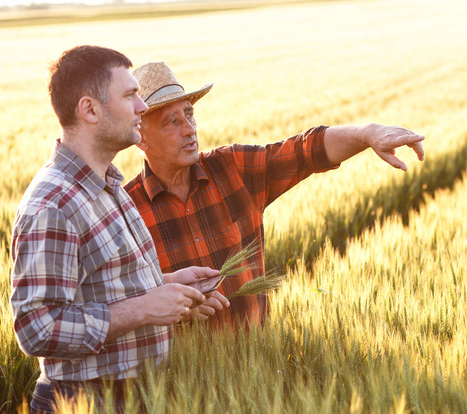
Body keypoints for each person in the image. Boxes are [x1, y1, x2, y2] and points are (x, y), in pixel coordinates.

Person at [9, 47, 229, 414]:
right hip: (84, 402)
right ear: (90, 109)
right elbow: (35, 328)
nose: (142, 107)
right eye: (130, 95)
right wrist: (144, 308)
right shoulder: (53, 205)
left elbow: (101, 284)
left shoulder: (108, 185)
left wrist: (170, 286)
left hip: (136, 398)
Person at [124, 62, 425, 326]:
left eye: (189, 115)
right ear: (140, 137)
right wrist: (173, 310)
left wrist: (367, 134)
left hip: (260, 365)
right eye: (172, 122)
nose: (189, 129)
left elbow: (305, 151)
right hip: (182, 382)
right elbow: (115, 301)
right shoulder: (125, 212)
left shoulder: (232, 169)